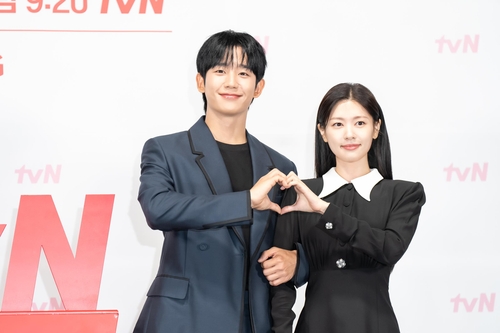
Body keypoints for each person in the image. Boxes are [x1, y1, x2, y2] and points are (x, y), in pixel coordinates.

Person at [133, 30, 308, 333]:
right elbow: (157, 208)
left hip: (253, 321)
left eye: (243, 72)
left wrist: (298, 262)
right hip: (184, 318)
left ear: (258, 87)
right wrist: (245, 201)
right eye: (220, 71)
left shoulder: (280, 166)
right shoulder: (165, 150)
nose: (231, 82)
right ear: (201, 81)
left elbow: (290, 241)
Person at [270, 82, 426, 333]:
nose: (349, 134)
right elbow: (279, 281)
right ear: (322, 131)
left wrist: (324, 209)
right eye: (337, 124)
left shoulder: (404, 193)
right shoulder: (298, 192)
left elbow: (389, 249)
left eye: (360, 123)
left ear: (376, 128)